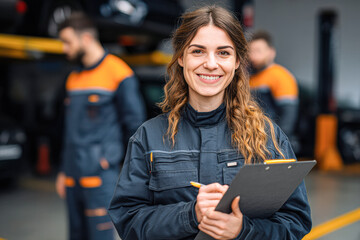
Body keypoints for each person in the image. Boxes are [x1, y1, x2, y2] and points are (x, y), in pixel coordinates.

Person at [108, 6, 311, 240]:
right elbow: (128, 221)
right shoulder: (149, 137)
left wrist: (244, 231)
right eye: (198, 51)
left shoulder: (267, 136)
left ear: (237, 62)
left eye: (223, 53)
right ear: (182, 57)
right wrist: (190, 214)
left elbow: (294, 224)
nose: (211, 64)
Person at [55, 12, 146, 240]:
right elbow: (69, 131)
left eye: (68, 42)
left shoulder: (118, 72)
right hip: (72, 176)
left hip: (100, 175)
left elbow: (135, 126)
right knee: (76, 235)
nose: (65, 49)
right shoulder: (73, 78)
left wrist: (115, 163)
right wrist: (63, 171)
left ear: (85, 38)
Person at [248, 30, 299, 139]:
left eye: (258, 51)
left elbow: (288, 116)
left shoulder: (281, 76)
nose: (253, 56)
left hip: (271, 140)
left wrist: (277, 142)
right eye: (251, 51)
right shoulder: (249, 78)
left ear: (271, 52)